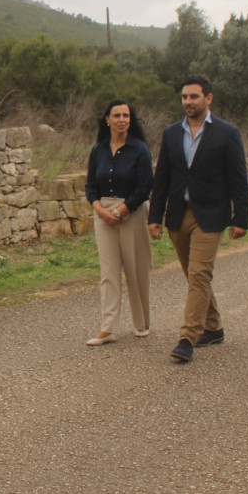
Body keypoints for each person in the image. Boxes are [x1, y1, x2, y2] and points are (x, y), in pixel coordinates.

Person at [147, 75, 248, 363]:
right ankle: (214, 327)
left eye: (194, 96)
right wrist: (155, 216)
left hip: (212, 214)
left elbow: (238, 179)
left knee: (199, 274)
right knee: (194, 277)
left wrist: (240, 218)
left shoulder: (227, 133)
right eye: (184, 97)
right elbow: (163, 178)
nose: (188, 102)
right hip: (179, 215)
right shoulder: (170, 134)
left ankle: (187, 337)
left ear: (209, 98)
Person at [83, 100, 155, 345]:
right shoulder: (98, 150)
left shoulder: (140, 149)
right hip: (103, 213)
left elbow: (145, 186)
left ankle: (141, 323)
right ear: (107, 119)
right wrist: (100, 210)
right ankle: (108, 328)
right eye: (117, 115)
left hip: (132, 212)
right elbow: (90, 186)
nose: (122, 119)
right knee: (109, 272)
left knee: (136, 270)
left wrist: (122, 210)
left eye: (126, 115)